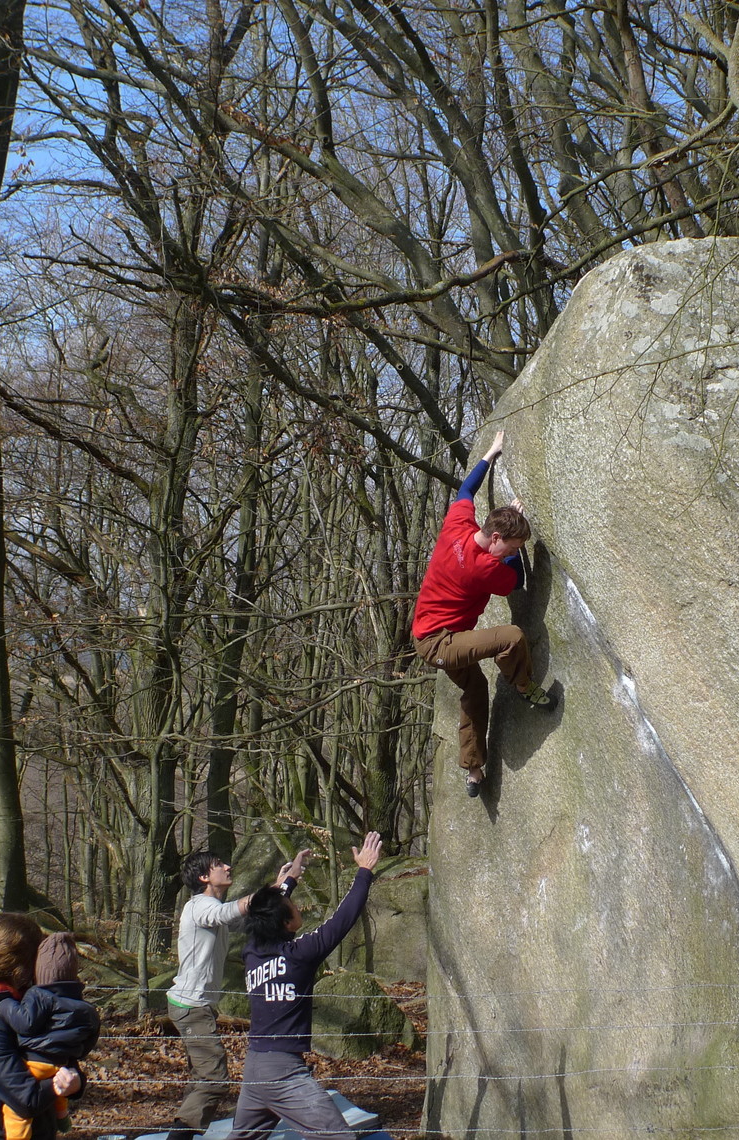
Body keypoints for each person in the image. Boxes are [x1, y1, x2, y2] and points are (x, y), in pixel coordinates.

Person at [412, 429, 555, 796]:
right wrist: (512, 555)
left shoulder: (457, 526)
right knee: (511, 637)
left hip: (432, 631)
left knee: (475, 688)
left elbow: (466, 491)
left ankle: (474, 770)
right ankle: (523, 685)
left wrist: (490, 453)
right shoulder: (483, 568)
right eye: (512, 546)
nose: (514, 552)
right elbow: (516, 580)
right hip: (439, 644)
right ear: (495, 539)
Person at [230, 832, 383, 1139]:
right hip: (283, 1073)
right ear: (286, 923)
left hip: (256, 1064)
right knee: (338, 1137)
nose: (296, 906)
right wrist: (364, 871)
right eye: (292, 904)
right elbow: (342, 919)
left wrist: (289, 880)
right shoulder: (300, 954)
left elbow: (265, 912)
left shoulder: (252, 952)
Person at [167, 848, 312, 1139]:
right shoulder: (199, 906)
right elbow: (227, 912)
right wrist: (275, 887)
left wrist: (285, 884)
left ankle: (182, 1132)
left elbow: (255, 916)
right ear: (204, 877)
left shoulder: (213, 908)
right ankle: (179, 1136)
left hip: (195, 1006)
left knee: (202, 1078)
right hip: (190, 1006)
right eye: (219, 864)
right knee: (213, 1079)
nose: (228, 867)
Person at [0, 913, 83, 1140]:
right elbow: (26, 1099)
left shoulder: (25, 1008)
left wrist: (75, 1080)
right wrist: (59, 1085)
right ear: (22, 965)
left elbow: (59, 1057)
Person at [0, 932, 100, 1138]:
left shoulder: (39, 994)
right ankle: (62, 1117)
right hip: (62, 1064)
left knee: (15, 1113)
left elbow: (25, 1023)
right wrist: (72, 1052)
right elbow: (89, 1041)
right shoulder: (86, 1008)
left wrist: (4, 1003)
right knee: (58, 1090)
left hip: (35, 1061)